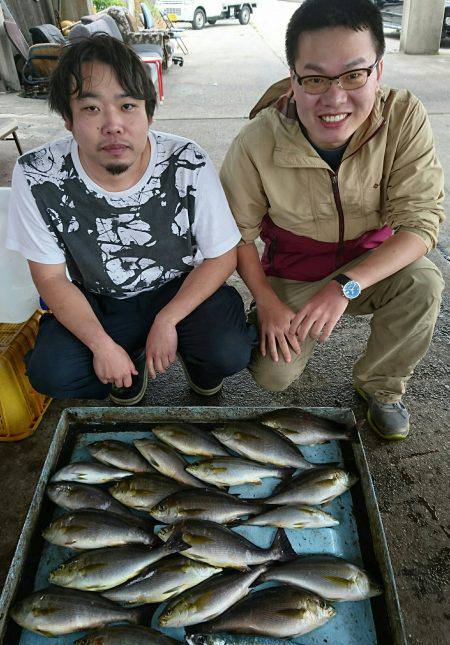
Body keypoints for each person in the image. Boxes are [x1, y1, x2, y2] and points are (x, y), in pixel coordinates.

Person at [220, 0, 444, 440]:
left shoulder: (405, 118)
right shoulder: (255, 140)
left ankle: (381, 387)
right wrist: (265, 299)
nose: (335, 98)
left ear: (378, 72)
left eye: (354, 74)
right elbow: (236, 235)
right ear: (294, 78)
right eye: (316, 78)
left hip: (372, 266)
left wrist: (344, 287)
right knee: (272, 375)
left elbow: (421, 224)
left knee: (424, 283)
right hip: (295, 273)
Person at [6, 34, 256, 405]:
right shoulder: (36, 175)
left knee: (229, 349)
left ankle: (202, 369)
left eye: (127, 105)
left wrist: (168, 319)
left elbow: (222, 255)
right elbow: (51, 279)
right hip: (99, 299)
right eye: (91, 109)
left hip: (179, 289)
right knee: (52, 370)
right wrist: (101, 345)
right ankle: (126, 368)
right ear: (67, 119)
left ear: (148, 113)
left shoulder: (188, 160)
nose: (113, 125)